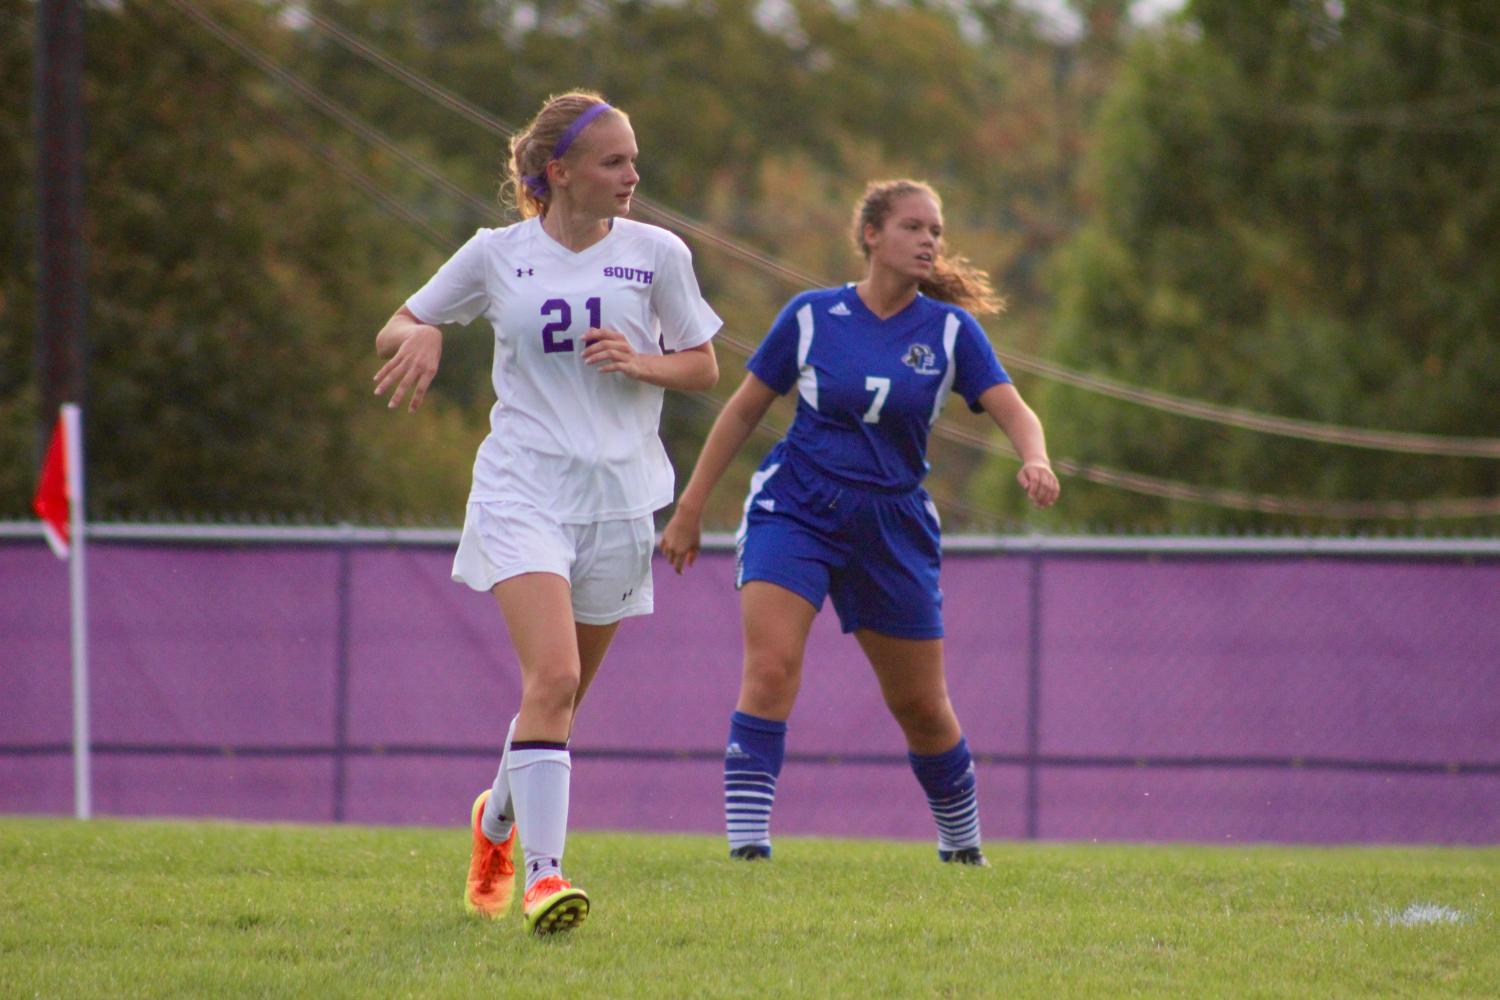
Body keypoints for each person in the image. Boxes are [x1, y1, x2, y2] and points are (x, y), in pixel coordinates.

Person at [373, 91, 720, 934]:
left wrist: (643, 364)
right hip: (522, 490)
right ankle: (544, 878)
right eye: (614, 161)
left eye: (634, 158)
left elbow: (704, 365)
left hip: (619, 501)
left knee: (557, 697)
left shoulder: (658, 253)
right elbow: (399, 324)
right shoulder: (497, 255)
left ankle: (494, 823)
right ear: (558, 173)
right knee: (555, 680)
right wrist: (420, 334)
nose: (633, 174)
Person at [660, 179, 1058, 865]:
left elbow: (1015, 410)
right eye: (913, 227)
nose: (930, 240)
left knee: (922, 706)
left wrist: (1036, 457)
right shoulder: (812, 315)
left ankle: (962, 848)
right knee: (774, 666)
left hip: (893, 523)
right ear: (872, 235)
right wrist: (690, 508)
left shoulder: (952, 331)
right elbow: (743, 410)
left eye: (936, 229)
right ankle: (748, 849)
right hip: (800, 507)